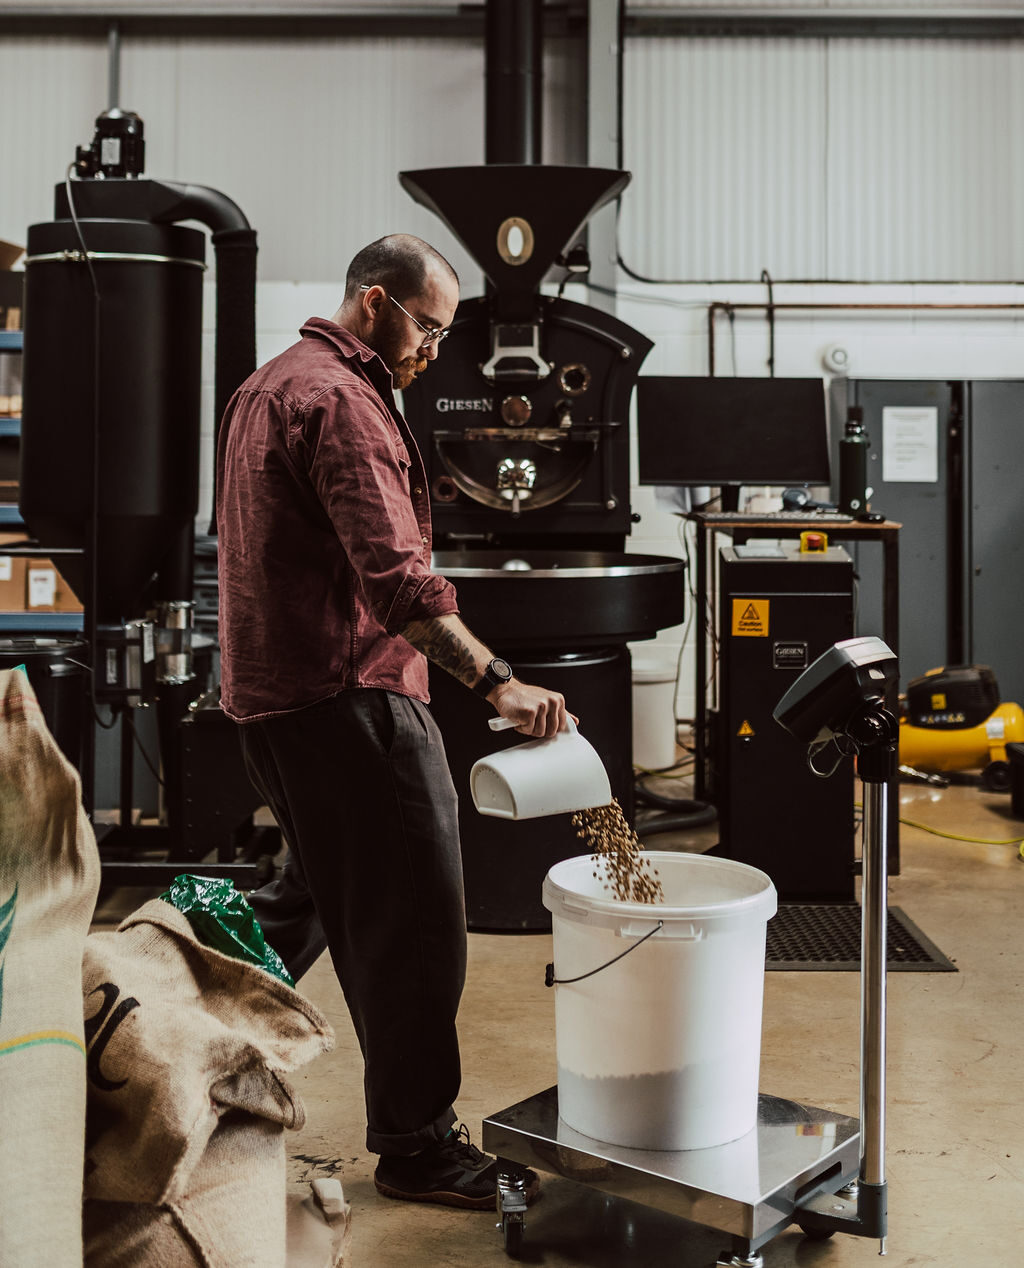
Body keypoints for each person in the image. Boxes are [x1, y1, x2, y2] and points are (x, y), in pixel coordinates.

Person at [215, 233, 564, 1211]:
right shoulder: (344, 400)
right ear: (376, 303)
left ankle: (180, 1057)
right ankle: (415, 1142)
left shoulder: (264, 385)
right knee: (415, 922)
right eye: (429, 328)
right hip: (351, 701)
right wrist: (497, 679)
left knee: (313, 896)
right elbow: (398, 582)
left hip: (272, 705)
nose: (434, 353)